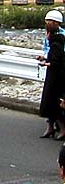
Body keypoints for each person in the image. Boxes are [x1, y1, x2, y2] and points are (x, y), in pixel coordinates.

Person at [39, 10, 65, 139]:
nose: (46, 24)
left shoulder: (60, 38)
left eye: (48, 21)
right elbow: (47, 51)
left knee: (56, 100)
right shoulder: (49, 36)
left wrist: (48, 62)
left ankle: (61, 128)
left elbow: (58, 58)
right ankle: (50, 127)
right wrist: (44, 57)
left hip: (59, 73)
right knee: (49, 99)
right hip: (52, 72)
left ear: (55, 23)